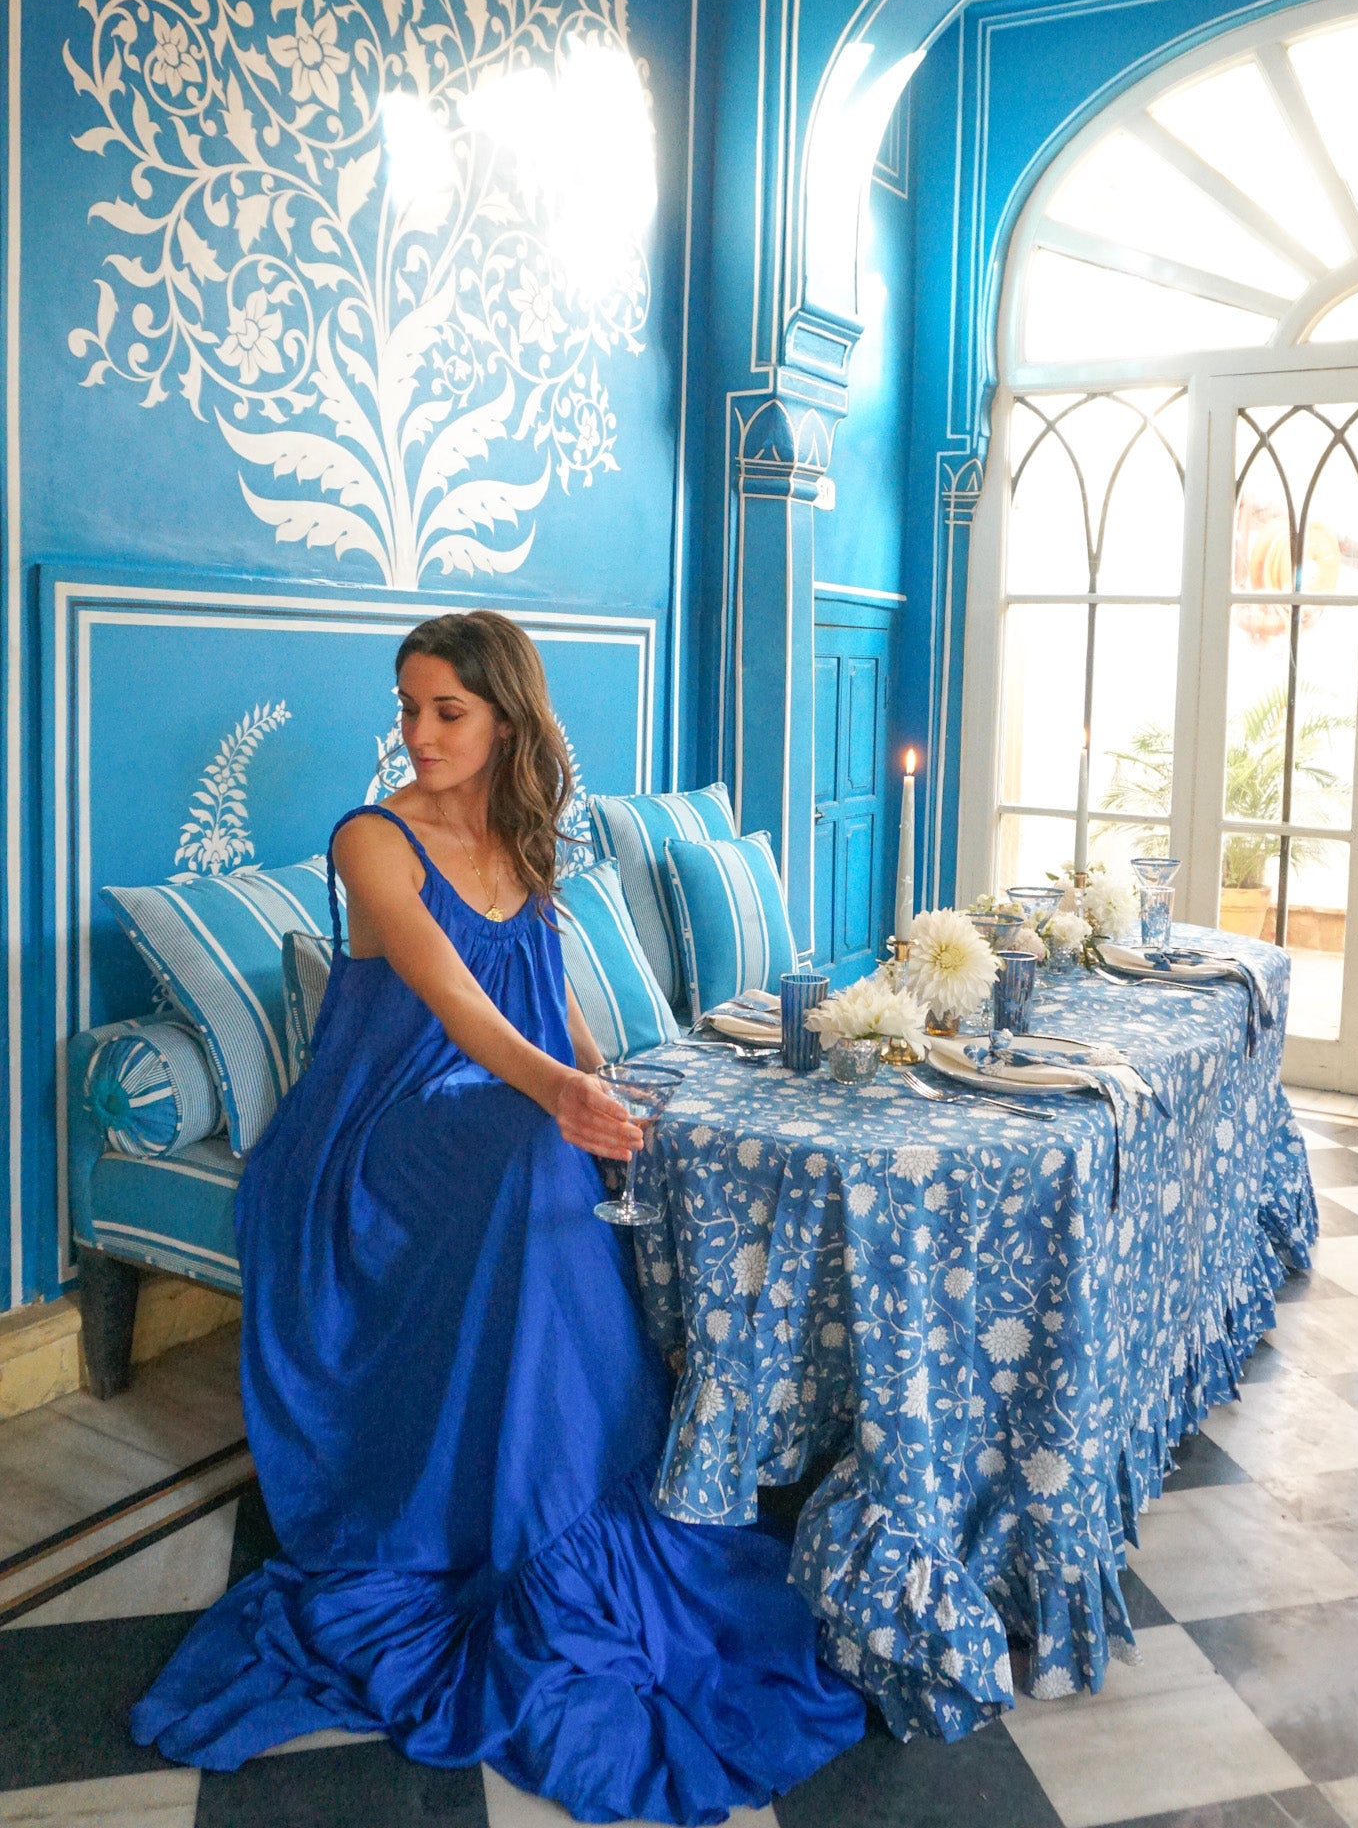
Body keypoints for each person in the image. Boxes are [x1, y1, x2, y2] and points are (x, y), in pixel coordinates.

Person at [131, 609, 865, 1825]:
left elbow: (551, 995)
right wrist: (561, 1095)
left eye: (446, 710)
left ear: (507, 719)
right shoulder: (370, 838)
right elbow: (455, 999)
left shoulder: (522, 840)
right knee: (540, 1146)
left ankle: (596, 1490)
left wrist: (609, 1084)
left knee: (602, 1145)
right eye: (409, 706)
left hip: (501, 1099)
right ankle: (529, 1531)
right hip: (374, 1129)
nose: (416, 732)